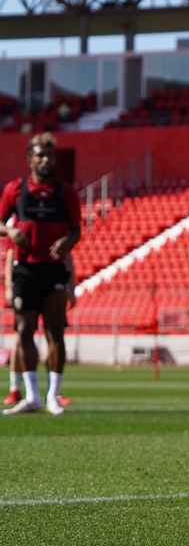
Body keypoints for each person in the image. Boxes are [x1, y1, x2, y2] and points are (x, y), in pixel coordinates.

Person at [1, 134, 79, 416]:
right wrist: (9, 230)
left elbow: (76, 230)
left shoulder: (66, 191)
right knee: (23, 331)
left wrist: (67, 242)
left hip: (54, 269)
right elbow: (0, 222)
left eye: (50, 155)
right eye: (40, 155)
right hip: (25, 270)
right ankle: (31, 396)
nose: (46, 160)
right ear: (30, 158)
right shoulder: (15, 189)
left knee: (55, 332)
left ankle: (53, 395)